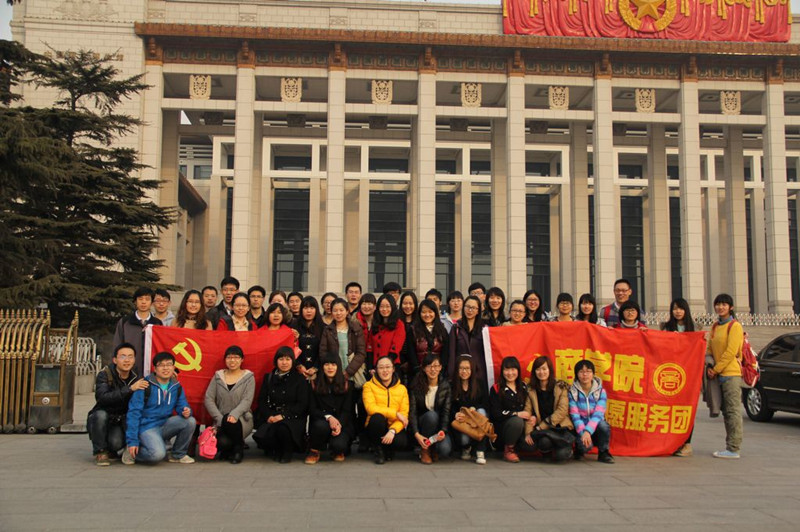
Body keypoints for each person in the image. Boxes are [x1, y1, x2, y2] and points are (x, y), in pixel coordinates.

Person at [123, 351, 195, 465]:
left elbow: (182, 405)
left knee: (190, 421)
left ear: (173, 367)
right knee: (157, 455)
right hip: (147, 427)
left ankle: (177, 454)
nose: (165, 368)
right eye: (161, 365)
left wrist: (186, 411)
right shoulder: (145, 385)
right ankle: (134, 452)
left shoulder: (176, 386)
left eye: (169, 364)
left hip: (164, 425)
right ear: (155, 369)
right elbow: (133, 414)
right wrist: (132, 441)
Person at [87, 343, 148, 466]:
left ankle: (112, 449)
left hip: (122, 418)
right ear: (115, 360)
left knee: (116, 443)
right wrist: (129, 389)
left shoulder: (137, 376)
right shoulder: (105, 374)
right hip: (105, 415)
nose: (127, 360)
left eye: (130, 356)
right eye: (123, 356)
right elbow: (102, 398)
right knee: (100, 415)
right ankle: (100, 451)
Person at [253, 346, 310, 463]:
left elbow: (302, 404)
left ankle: (287, 451)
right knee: (266, 431)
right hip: (273, 413)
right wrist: (268, 415)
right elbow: (262, 400)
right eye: (281, 359)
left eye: (288, 359)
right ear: (276, 361)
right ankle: (275, 448)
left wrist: (283, 415)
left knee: (283, 428)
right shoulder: (269, 377)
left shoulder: (299, 379)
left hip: (292, 416)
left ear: (293, 361)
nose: (284, 363)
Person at [203, 345, 255, 464]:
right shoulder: (218, 377)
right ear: (225, 359)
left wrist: (234, 415)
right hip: (221, 419)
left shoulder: (248, 377)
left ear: (242, 360)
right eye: (229, 357)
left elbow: (247, 400)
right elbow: (209, 398)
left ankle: (238, 450)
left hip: (242, 419)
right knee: (222, 443)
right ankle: (229, 449)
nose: (232, 360)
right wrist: (220, 418)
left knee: (231, 420)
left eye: (236, 357)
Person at [707, 293, 744, 459]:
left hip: (731, 374)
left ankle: (734, 448)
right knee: (726, 412)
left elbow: (731, 351)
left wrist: (716, 369)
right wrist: (710, 365)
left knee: (733, 411)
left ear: (731, 307)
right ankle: (730, 446)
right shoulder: (715, 326)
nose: (720, 307)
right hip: (717, 374)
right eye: (718, 304)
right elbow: (709, 348)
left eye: (724, 304)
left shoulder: (734, 326)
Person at [661, 297, 698, 457]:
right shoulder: (666, 327)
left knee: (686, 409)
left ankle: (687, 443)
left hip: (688, 373)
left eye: (680, 308)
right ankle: (671, 443)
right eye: (675, 308)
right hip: (669, 372)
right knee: (669, 411)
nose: (678, 311)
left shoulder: (694, 328)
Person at [306, 352, 355, 464]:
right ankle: (314, 450)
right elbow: (312, 409)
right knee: (320, 426)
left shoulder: (347, 385)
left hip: (341, 423)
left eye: (333, 364)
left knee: (339, 445)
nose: (330, 367)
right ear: (322, 367)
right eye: (326, 364)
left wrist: (338, 424)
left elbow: (347, 411)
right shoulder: (314, 384)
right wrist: (329, 417)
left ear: (338, 366)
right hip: (321, 421)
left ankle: (335, 449)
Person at [523, 356, 574, 462]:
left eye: (544, 369)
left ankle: (566, 449)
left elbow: (562, 411)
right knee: (537, 443)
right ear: (534, 372)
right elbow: (527, 411)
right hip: (543, 431)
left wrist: (541, 426)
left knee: (561, 456)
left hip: (560, 427)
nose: (541, 372)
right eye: (538, 369)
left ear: (550, 370)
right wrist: (528, 433)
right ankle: (547, 451)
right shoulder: (531, 389)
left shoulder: (561, 386)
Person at [362, 355, 410, 464]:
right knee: (377, 418)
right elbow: (370, 408)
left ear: (393, 369)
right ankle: (378, 449)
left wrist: (392, 430)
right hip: (376, 426)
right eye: (381, 367)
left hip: (393, 425)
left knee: (401, 442)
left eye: (388, 367)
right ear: (376, 370)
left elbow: (404, 415)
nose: (385, 370)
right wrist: (395, 414)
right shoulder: (368, 386)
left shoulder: (402, 389)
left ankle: (388, 449)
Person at [409, 354, 452, 464]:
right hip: (422, 424)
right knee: (431, 415)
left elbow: (446, 412)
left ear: (440, 367)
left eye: (436, 366)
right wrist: (416, 433)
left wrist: (443, 430)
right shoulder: (416, 385)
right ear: (423, 368)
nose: (433, 370)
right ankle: (425, 449)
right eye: (429, 366)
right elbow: (412, 412)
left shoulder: (445, 386)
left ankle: (433, 448)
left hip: (438, 426)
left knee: (445, 449)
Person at [568, 360, 614, 463]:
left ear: (593, 373)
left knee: (604, 425)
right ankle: (579, 449)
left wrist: (588, 431)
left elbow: (598, 414)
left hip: (596, 427)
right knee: (585, 447)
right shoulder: (572, 392)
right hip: (580, 428)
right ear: (576, 374)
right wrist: (583, 432)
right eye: (581, 372)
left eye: (588, 371)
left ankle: (603, 453)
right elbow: (575, 416)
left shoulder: (601, 391)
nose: (585, 375)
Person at [112, 287, 162, 376]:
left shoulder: (157, 323)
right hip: (128, 371)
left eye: (147, 299)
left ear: (152, 303)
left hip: (152, 371)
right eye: (140, 299)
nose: (143, 302)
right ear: (135, 301)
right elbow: (117, 345)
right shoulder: (125, 322)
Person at [489, 356, 530, 463]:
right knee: (517, 421)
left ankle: (517, 447)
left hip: (523, 428)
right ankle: (509, 450)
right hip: (503, 429)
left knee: (531, 446)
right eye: (506, 369)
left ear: (518, 371)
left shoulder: (524, 387)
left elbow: (529, 406)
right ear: (502, 371)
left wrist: (532, 416)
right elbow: (495, 413)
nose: (510, 373)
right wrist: (516, 413)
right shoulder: (496, 388)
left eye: (513, 369)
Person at [319, 297, 367, 385]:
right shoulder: (327, 330)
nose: (338, 313)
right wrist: (331, 369)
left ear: (347, 311)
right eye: (335, 310)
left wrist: (348, 371)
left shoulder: (356, 328)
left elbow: (361, 353)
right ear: (331, 312)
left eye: (341, 310)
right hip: (333, 374)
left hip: (352, 374)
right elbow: (323, 352)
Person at [451, 354, 489, 464]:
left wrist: (475, 408)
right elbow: (449, 407)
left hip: (477, 419)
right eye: (461, 368)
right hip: (462, 422)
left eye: (467, 368)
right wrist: (455, 414)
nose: (464, 371)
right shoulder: (452, 385)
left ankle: (480, 451)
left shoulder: (480, 384)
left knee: (481, 412)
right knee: (464, 439)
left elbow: (486, 404)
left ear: (472, 369)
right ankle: (466, 448)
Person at [447, 295, 487, 385]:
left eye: (473, 308)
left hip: (479, 373)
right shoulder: (456, 328)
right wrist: (451, 374)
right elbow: (451, 353)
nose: (470, 310)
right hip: (460, 373)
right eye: (467, 307)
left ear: (478, 311)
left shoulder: (484, 329)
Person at [409, 299, 449, 377]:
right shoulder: (413, 330)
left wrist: (440, 369)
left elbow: (445, 352)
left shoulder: (442, 329)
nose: (427, 315)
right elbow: (411, 353)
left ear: (435, 313)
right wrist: (417, 370)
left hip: (437, 372)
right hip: (418, 372)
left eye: (430, 312)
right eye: (424, 312)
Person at [371, 294, 406, 372]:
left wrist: (385, 366)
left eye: (387, 306)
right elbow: (370, 347)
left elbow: (395, 348)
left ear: (392, 307)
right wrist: (371, 367)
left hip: (391, 366)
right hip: (375, 367)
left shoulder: (399, 324)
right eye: (381, 306)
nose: (384, 309)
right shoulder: (375, 323)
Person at [294, 296, 324, 381]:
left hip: (318, 372)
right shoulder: (294, 325)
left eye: (312, 308)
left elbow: (324, 350)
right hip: (297, 371)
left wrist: (315, 368)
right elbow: (291, 348)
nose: (309, 311)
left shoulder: (323, 327)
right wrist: (298, 365)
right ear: (301, 310)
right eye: (306, 308)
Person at [353, 293, 377, 368]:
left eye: (369, 304)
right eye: (364, 304)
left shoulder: (380, 321)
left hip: (376, 356)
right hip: (358, 357)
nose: (366, 306)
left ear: (375, 306)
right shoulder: (354, 320)